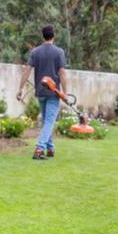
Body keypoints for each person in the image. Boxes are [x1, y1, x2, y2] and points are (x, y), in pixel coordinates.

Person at [17, 25, 69, 160]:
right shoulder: (59, 52)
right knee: (49, 121)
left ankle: (50, 148)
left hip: (40, 92)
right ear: (54, 36)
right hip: (53, 93)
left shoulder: (35, 52)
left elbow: (26, 71)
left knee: (47, 121)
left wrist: (20, 89)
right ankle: (40, 148)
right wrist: (65, 93)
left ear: (43, 36)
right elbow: (62, 73)